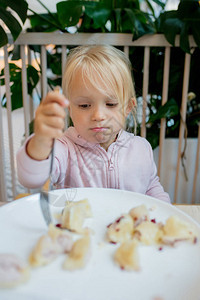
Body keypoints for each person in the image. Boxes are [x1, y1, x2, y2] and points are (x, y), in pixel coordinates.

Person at [17, 45, 170, 203]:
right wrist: (41, 142)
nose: (98, 116)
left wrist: (167, 212)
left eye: (110, 104)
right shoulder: (64, 149)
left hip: (128, 226)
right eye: (84, 106)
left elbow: (151, 187)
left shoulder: (141, 148)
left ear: (128, 107)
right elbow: (30, 179)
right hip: (79, 227)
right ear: (70, 108)